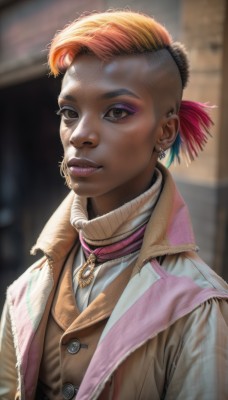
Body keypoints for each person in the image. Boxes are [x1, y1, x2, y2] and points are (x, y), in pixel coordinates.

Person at [0, 9, 227, 400]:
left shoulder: (196, 306)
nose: (81, 135)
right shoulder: (28, 288)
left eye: (117, 111)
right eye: (69, 112)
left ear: (165, 129)